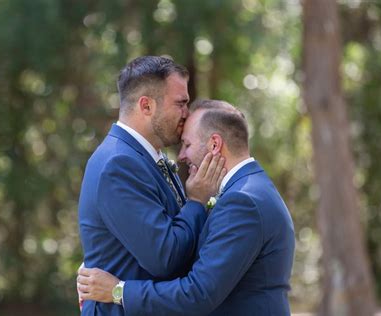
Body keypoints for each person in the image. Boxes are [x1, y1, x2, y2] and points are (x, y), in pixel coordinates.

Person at [77, 100, 296, 315]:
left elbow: (198, 293)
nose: (181, 156)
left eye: (187, 145)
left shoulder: (242, 202)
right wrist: (104, 258)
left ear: (214, 144)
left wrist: (118, 291)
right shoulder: (248, 190)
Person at [78, 58, 226, 315]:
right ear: (146, 105)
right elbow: (164, 257)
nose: (187, 113)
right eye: (180, 103)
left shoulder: (145, 157)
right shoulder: (119, 164)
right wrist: (197, 201)